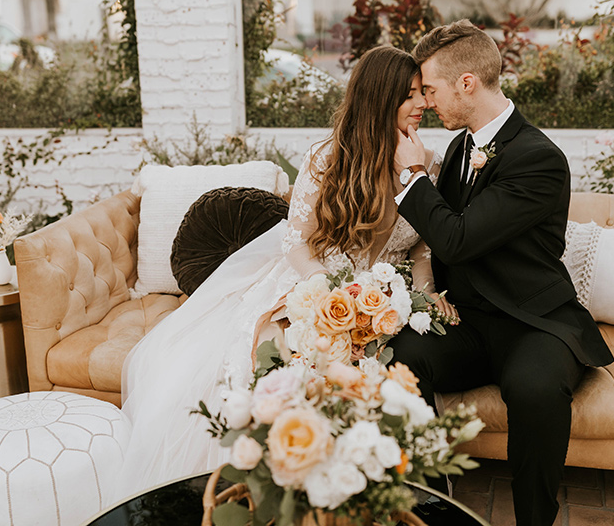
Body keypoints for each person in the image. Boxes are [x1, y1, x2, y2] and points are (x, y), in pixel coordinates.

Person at [112, 45, 451, 500]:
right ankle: (280, 482)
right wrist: (336, 295)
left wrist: (422, 302)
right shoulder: (328, 158)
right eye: (411, 95)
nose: (423, 104)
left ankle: (365, 489)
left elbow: (424, 251)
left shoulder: (428, 164)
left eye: (422, 94)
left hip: (385, 303)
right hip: (314, 286)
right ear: (381, 99)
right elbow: (296, 242)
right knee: (286, 356)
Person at [388, 20, 614, 526]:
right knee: (398, 357)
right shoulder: (459, 148)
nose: (425, 102)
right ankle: (430, 499)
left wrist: (411, 176)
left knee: (535, 391)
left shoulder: (539, 159)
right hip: (468, 321)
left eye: (430, 89)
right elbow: (439, 238)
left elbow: (459, 237)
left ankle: (535, 519)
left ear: (467, 83)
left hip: (533, 322)